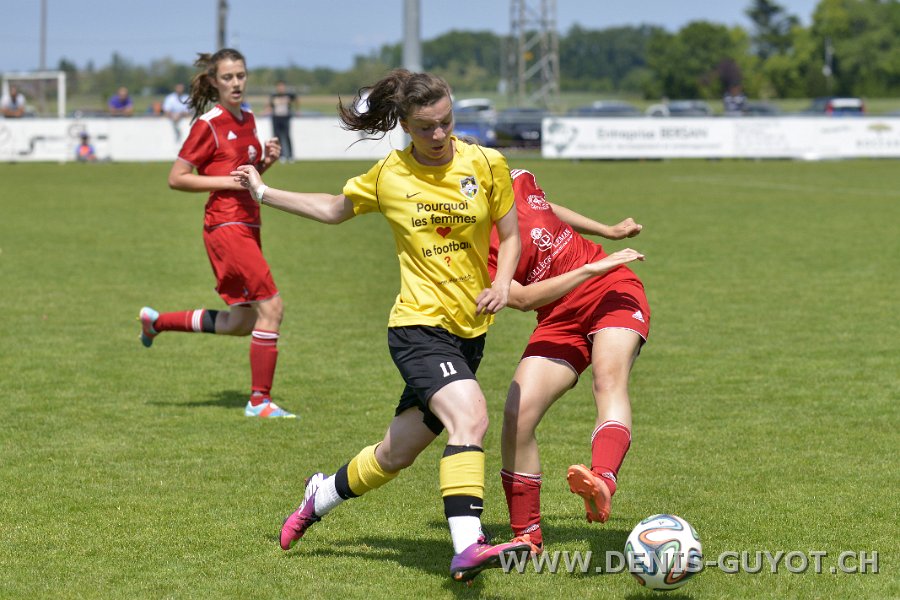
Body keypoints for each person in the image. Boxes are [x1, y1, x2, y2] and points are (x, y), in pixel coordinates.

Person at [230, 68, 530, 583]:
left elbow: (510, 230)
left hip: (469, 333)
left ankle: (318, 496)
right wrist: (263, 192)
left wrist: (503, 282)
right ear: (405, 126)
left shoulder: (486, 163)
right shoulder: (389, 173)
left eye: (445, 122)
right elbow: (332, 209)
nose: (438, 136)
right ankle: (467, 547)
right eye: (425, 127)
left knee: (396, 453)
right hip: (416, 328)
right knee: (471, 418)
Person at [490, 169, 649, 554]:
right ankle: (527, 536)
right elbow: (524, 298)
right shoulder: (466, 244)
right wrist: (588, 267)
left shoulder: (509, 180)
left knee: (608, 380)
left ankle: (603, 481)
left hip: (611, 288)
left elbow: (546, 205)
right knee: (518, 413)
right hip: (557, 316)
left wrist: (606, 231)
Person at [137, 48, 292, 418]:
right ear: (214, 82)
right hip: (225, 226)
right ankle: (259, 402)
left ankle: (156, 322)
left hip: (248, 225)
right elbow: (177, 177)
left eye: (240, 75)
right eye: (227, 77)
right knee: (272, 307)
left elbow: (245, 178)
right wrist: (232, 181)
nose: (236, 83)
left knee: (241, 322)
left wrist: (263, 164)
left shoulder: (249, 117)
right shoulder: (208, 124)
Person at [268, 81, 296, 161]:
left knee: (287, 136)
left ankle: (290, 156)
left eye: (282, 86)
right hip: (276, 118)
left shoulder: (288, 95)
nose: (281, 88)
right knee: (277, 138)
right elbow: (270, 105)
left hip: (285, 117)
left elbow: (296, 100)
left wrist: (297, 110)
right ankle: (281, 156)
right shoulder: (274, 96)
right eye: (279, 87)